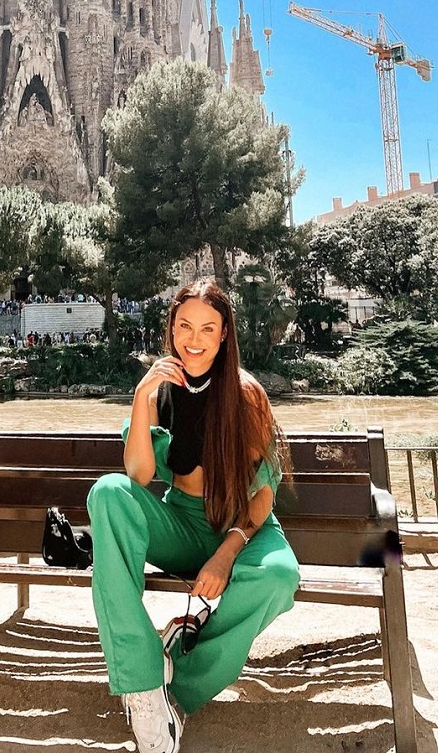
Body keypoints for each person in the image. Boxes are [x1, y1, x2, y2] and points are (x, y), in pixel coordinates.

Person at [87, 279, 300, 753]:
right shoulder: (159, 392)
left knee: (279, 576)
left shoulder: (247, 396)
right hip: (180, 521)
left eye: (208, 328)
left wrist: (227, 553)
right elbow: (139, 474)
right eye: (184, 326)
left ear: (225, 335)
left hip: (241, 524)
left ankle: (178, 687)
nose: (194, 339)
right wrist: (141, 397)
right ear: (171, 329)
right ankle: (143, 682)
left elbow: (263, 495)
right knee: (108, 493)